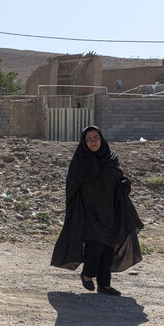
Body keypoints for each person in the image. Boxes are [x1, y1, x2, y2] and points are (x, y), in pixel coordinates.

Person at [51, 126, 144, 296]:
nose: (93, 142)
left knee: (108, 247)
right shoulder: (80, 160)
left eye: (96, 138)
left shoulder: (111, 158)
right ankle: (87, 274)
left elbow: (117, 178)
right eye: (89, 139)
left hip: (109, 211)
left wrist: (124, 184)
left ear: (102, 139)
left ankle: (104, 285)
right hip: (87, 212)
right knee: (96, 244)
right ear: (84, 142)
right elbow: (72, 185)